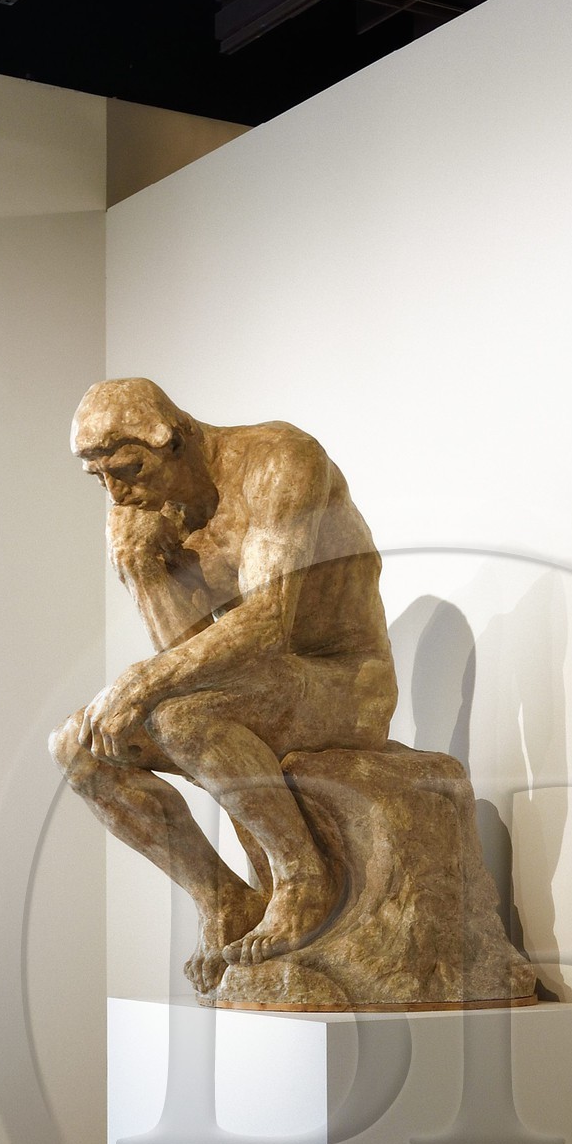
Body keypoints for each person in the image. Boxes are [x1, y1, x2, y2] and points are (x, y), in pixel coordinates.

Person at [52, 379, 398, 992]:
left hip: (344, 678)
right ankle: (221, 901)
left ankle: (301, 880)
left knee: (179, 718)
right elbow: (184, 656)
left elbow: (269, 621)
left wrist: (138, 682)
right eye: (99, 478)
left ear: (175, 439)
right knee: (78, 751)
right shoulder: (137, 511)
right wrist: (143, 572)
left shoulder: (280, 462)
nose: (117, 492)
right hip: (260, 685)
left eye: (129, 469)